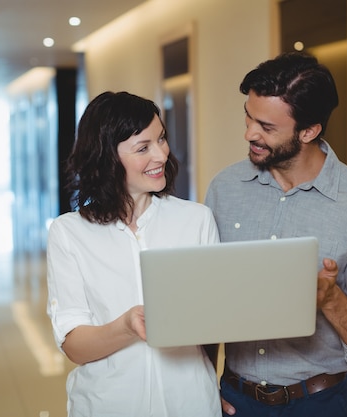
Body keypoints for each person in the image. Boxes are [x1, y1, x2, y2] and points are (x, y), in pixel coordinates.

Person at [204, 52, 347, 417]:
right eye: (248, 117)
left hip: (320, 404)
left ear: (309, 131)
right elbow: (207, 303)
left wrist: (330, 299)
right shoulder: (223, 188)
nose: (249, 133)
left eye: (266, 126)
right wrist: (201, 391)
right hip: (234, 400)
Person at [46, 91, 222, 417]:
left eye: (162, 139)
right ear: (106, 158)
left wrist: (211, 384)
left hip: (191, 403)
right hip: (107, 405)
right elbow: (74, 345)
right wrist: (127, 326)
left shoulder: (196, 219)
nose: (161, 155)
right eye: (143, 148)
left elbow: (211, 327)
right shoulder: (68, 232)